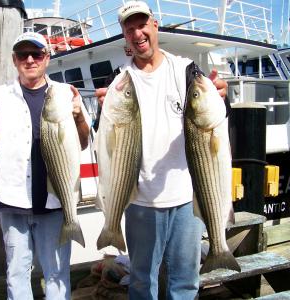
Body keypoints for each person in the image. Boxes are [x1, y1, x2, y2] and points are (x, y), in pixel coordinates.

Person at [95, 1, 228, 299]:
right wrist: (99, 114)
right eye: (130, 29)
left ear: (155, 25)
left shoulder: (187, 71)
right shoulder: (118, 81)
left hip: (188, 197)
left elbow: (216, 115)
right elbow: (102, 140)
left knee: (186, 282)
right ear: (124, 35)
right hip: (140, 201)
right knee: (142, 282)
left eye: (142, 25)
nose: (138, 33)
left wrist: (222, 95)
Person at [0, 32, 90, 300]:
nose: (30, 59)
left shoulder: (67, 93)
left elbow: (81, 142)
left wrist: (79, 118)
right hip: (13, 201)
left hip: (56, 202)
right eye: (23, 55)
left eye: (37, 54)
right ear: (14, 60)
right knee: (16, 273)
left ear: (47, 57)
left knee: (56, 273)